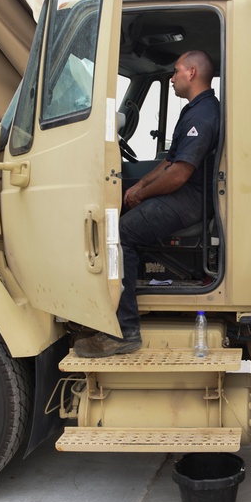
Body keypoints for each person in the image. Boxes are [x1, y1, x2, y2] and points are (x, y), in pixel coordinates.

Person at [74, 50, 219, 358]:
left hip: (191, 200)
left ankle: (124, 331)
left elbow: (179, 174)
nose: (173, 77)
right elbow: (169, 162)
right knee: (117, 205)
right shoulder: (195, 110)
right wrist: (138, 186)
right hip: (185, 193)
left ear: (192, 73)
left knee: (120, 235)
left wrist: (142, 194)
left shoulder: (204, 115)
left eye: (177, 71)